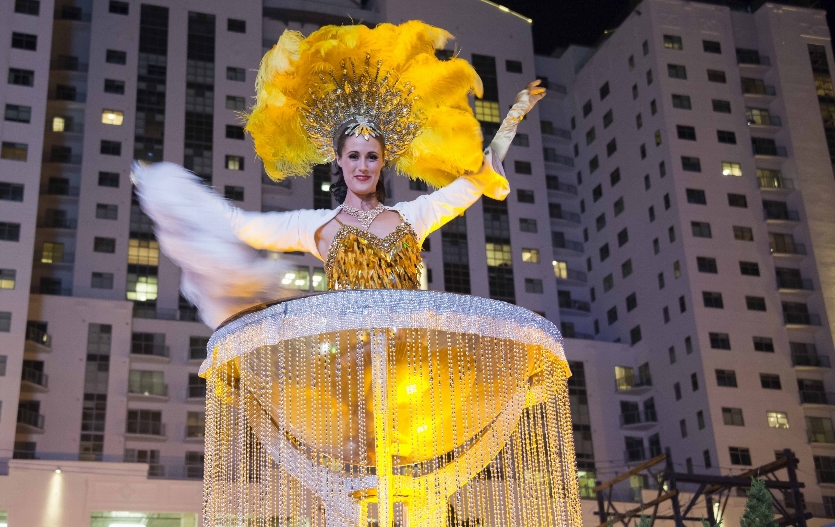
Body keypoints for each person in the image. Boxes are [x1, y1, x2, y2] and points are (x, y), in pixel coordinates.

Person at [133, 21, 544, 328]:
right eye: (354, 157)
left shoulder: (413, 217)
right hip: (350, 355)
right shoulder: (313, 226)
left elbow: (475, 178)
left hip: (412, 350)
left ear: (383, 161)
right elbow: (242, 225)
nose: (362, 166)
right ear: (340, 162)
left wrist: (513, 116)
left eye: (371, 156)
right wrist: (175, 197)